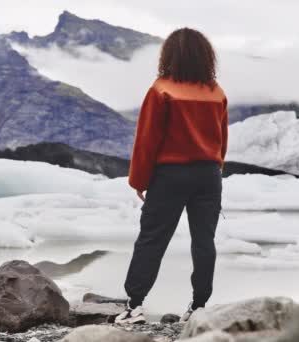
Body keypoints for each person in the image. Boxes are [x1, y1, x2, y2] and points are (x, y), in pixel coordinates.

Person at [115, 27, 228, 324]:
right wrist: (216, 169)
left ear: (169, 56)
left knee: (152, 239)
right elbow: (222, 140)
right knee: (204, 242)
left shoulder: (162, 89)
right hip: (208, 175)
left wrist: (139, 180)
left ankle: (134, 306)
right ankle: (198, 307)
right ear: (206, 57)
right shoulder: (216, 92)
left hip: (170, 176)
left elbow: (147, 140)